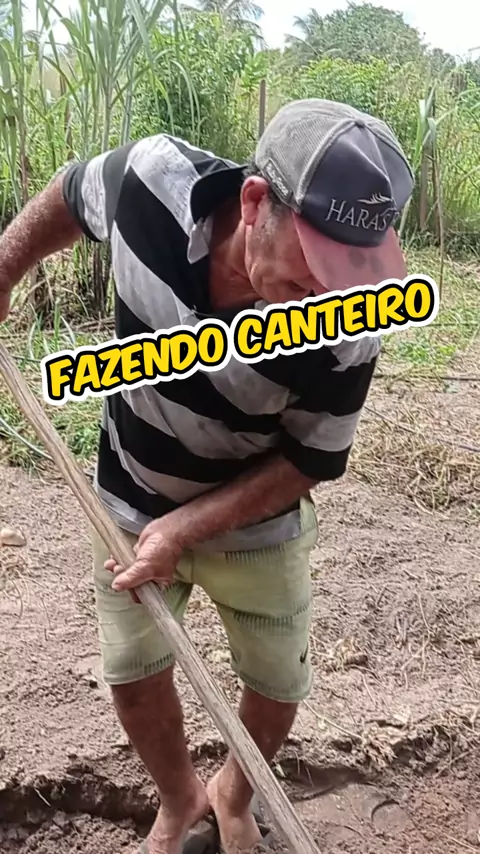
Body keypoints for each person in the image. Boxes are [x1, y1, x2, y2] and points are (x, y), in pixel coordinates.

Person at [0, 98, 414, 854]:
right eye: (316, 265)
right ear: (255, 202)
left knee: (278, 684)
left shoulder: (355, 322)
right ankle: (178, 799)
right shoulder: (150, 183)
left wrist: (186, 528)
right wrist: (3, 269)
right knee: (133, 675)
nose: (334, 294)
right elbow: (70, 194)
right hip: (129, 498)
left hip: (256, 522)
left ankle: (233, 792)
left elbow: (311, 458)